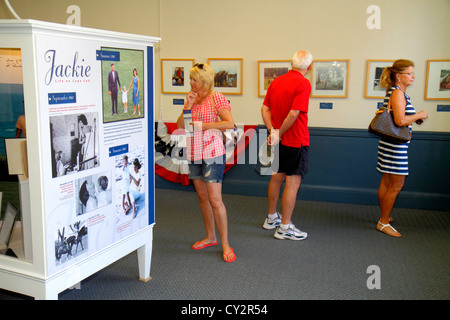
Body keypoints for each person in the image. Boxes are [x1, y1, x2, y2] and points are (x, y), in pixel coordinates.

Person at [176, 63, 236, 263]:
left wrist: (204, 126)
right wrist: (188, 105)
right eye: (190, 79)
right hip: (194, 153)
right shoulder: (191, 99)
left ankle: (226, 244)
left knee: (215, 200)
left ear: (204, 80)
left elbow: (229, 123)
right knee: (202, 197)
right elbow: (179, 126)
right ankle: (211, 237)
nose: (191, 82)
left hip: (212, 153)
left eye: (194, 79)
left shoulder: (215, 97)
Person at [261, 50, 313, 241]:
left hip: (279, 140)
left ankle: (272, 217)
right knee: (292, 182)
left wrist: (273, 131)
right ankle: (284, 228)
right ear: (309, 67)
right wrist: (278, 133)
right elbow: (293, 114)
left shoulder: (277, 81)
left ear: (292, 64)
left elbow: (264, 108)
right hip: (294, 140)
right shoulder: (303, 83)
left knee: (276, 178)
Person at [375, 59, 428, 237]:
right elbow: (400, 121)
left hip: (388, 143)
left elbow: (400, 116)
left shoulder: (393, 91)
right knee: (396, 185)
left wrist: (414, 117)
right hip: (396, 146)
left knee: (386, 182)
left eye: (413, 73)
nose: (413, 76)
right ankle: (383, 222)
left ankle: (385, 216)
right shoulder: (398, 93)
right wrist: (420, 114)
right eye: (409, 73)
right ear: (398, 76)